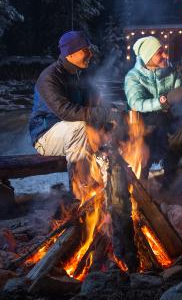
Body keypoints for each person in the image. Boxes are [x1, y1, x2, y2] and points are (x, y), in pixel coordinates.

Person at [29, 30, 119, 197]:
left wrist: (115, 112)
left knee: (108, 127)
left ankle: (112, 187)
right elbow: (66, 112)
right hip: (45, 135)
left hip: (76, 135)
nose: (90, 54)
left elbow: (97, 102)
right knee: (77, 126)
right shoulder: (49, 78)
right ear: (69, 54)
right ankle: (80, 192)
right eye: (86, 50)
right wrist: (104, 114)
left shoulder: (81, 74)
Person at [124, 36, 182, 181]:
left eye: (164, 51)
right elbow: (136, 103)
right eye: (159, 53)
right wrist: (164, 101)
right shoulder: (134, 77)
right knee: (148, 131)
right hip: (143, 123)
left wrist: (181, 99)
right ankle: (140, 184)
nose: (165, 55)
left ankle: (170, 179)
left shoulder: (171, 73)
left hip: (166, 119)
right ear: (148, 56)